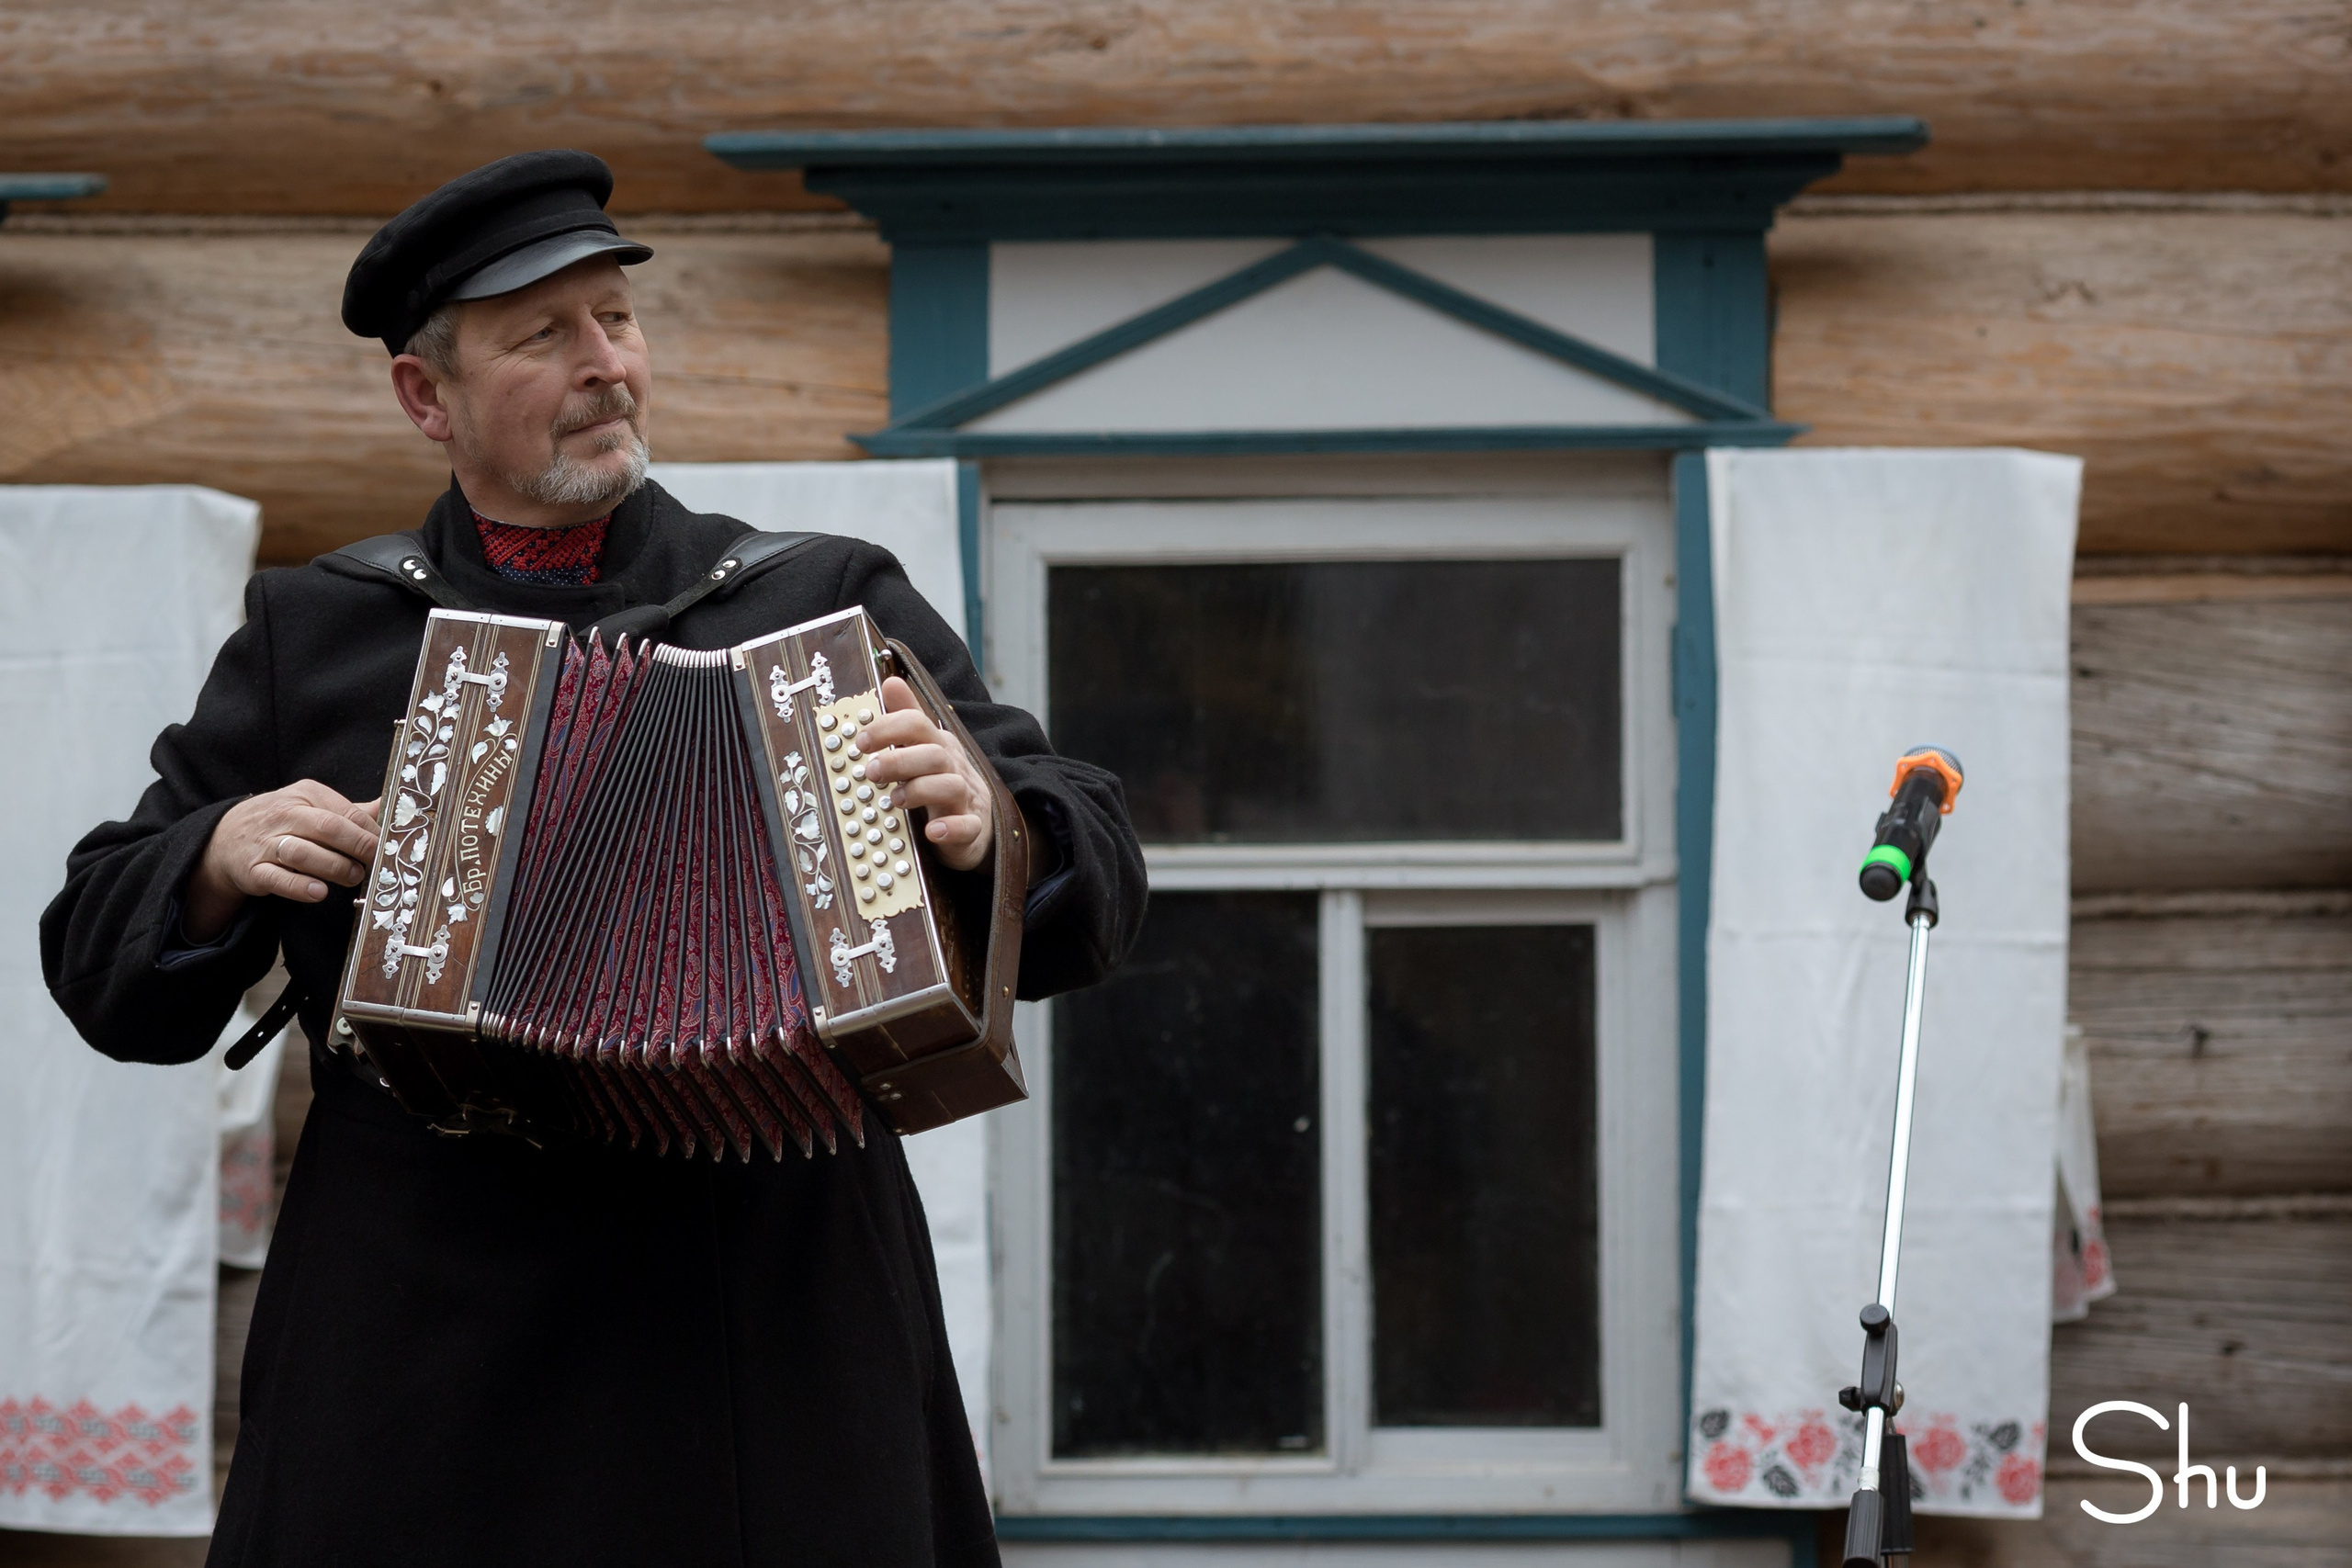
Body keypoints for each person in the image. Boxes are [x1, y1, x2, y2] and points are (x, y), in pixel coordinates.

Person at [40, 150, 1148, 1568]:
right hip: (426, 1336)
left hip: (761, 1318)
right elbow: (102, 966)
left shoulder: (817, 598)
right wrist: (211, 856)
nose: (606, 364)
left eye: (617, 320)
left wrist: (995, 824)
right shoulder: (314, 638)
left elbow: (1092, 867)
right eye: (543, 335)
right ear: (427, 397)